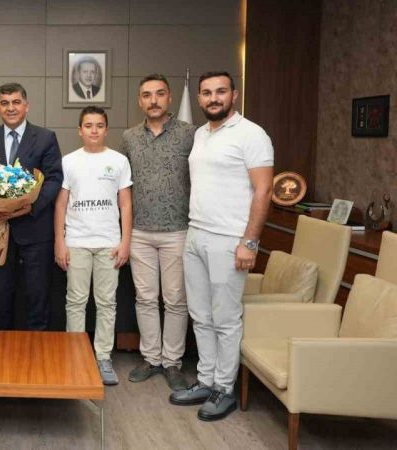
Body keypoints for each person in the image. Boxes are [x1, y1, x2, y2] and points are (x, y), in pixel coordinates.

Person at [169, 71, 273, 421]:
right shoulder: (200, 134)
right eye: (207, 93)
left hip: (230, 239)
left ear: (234, 95)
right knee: (201, 315)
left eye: (220, 91)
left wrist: (249, 242)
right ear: (199, 98)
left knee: (225, 318)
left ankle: (224, 389)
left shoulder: (252, 134)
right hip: (196, 233)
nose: (214, 98)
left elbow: (264, 190)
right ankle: (206, 380)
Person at [123, 74, 196, 391]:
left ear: (169, 98)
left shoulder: (190, 134)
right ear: (139, 101)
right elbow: (124, 187)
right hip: (139, 231)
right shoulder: (129, 137)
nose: (153, 100)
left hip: (177, 231)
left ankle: (172, 362)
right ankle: (151, 358)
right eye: (146, 95)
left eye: (159, 94)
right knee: (145, 298)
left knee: (176, 300)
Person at [54, 106, 131, 385]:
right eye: (88, 125)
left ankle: (103, 357)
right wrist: (59, 241)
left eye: (99, 125)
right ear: (80, 130)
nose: (94, 130)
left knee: (107, 302)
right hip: (77, 241)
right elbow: (61, 205)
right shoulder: (68, 161)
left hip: (109, 242)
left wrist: (125, 241)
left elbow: (125, 204)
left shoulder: (119, 161)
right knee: (75, 301)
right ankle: (75, 355)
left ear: (106, 129)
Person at [0, 82, 63, 330]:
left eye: (16, 102)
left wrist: (31, 207)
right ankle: (0, 349)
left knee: (38, 297)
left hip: (35, 230)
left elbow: (54, 178)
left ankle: (37, 349)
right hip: (0, 232)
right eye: (5, 103)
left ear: (26, 106)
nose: (11, 108)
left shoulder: (45, 137)